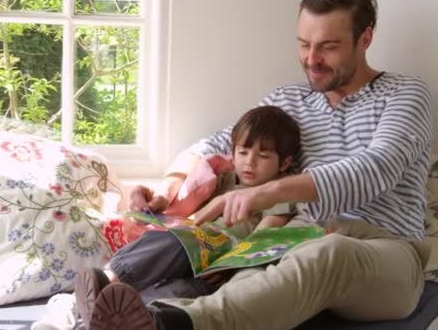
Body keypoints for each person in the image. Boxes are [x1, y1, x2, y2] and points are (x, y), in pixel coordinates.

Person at [82, 0, 433, 329]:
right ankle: (138, 314)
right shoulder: (289, 100)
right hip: (295, 238)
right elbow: (218, 144)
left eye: (328, 46)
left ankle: (177, 324)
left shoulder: (405, 94)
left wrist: (266, 194)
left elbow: (376, 169)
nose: (311, 59)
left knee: (329, 253)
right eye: (303, 44)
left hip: (385, 252)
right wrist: (168, 189)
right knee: (246, 271)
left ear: (365, 38)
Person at [75, 105, 304, 329]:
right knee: (170, 241)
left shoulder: (279, 191)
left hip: (218, 266)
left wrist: (230, 265)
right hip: (191, 242)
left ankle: (129, 318)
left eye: (263, 156)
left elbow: (265, 236)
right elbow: (188, 196)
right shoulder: (225, 179)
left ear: (284, 163)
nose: (249, 162)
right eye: (242, 152)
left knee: (183, 292)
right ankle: (110, 279)